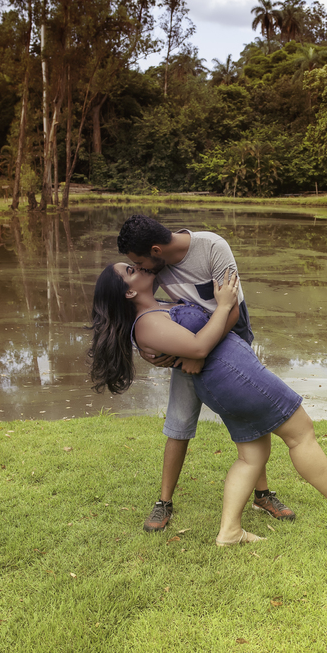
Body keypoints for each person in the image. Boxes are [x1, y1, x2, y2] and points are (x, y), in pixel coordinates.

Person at [88, 263, 327, 545]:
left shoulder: (159, 307)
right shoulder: (147, 323)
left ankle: (230, 531)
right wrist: (224, 305)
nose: (139, 267)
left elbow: (193, 345)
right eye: (130, 271)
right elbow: (198, 347)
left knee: (252, 455)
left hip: (232, 376)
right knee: (301, 432)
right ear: (128, 292)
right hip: (237, 377)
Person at [116, 215, 292, 532]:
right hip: (191, 346)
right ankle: (164, 502)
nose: (140, 269)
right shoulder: (154, 269)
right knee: (179, 422)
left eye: (139, 263)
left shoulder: (212, 247)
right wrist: (147, 349)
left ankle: (263, 494)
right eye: (135, 266)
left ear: (155, 251)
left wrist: (200, 353)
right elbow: (143, 308)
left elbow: (232, 309)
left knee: (250, 419)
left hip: (229, 344)